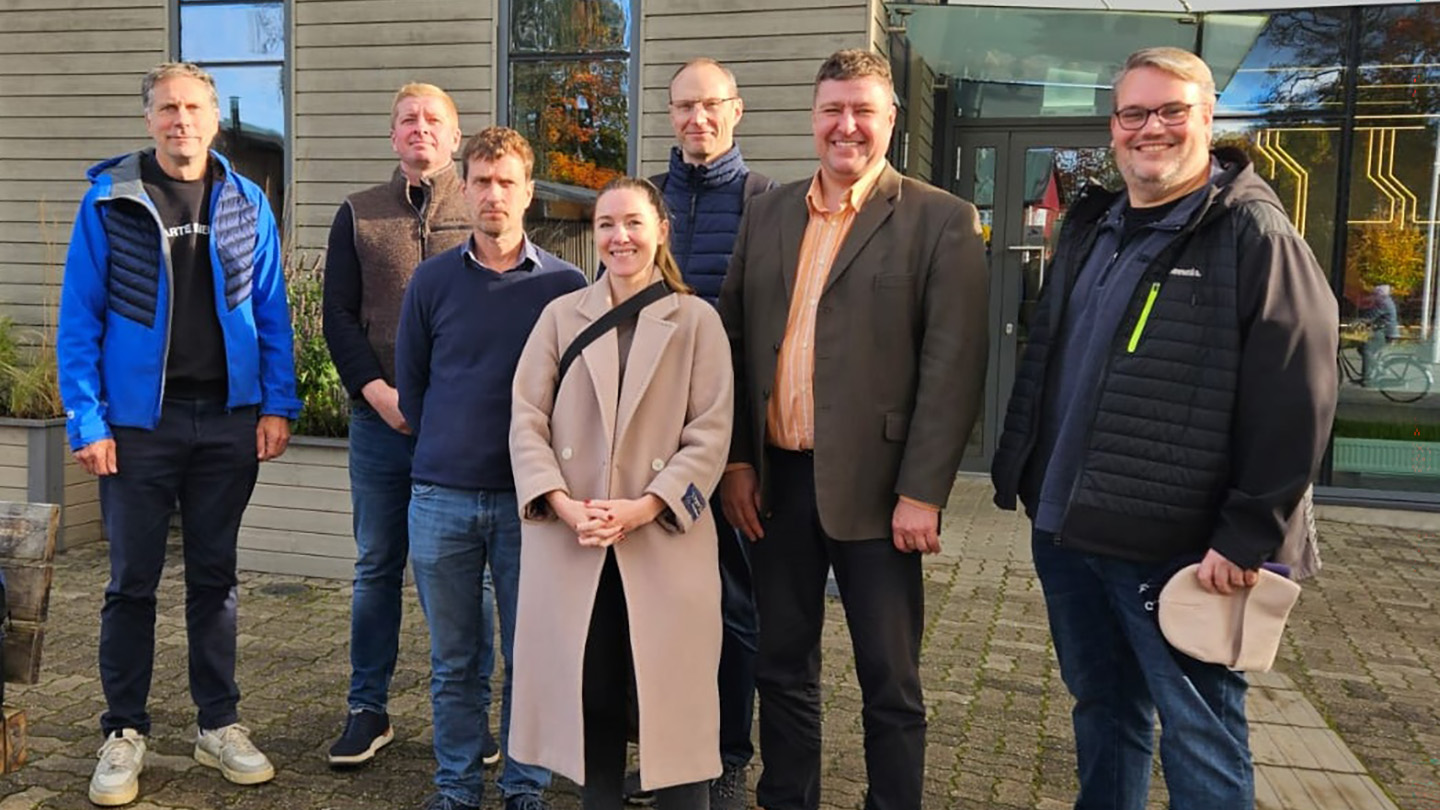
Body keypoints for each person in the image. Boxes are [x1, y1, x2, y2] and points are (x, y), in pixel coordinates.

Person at [990, 47, 1338, 810]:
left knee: (1200, 735)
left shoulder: (1253, 235)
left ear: (1208, 120)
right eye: (1133, 113)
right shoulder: (1093, 224)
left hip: (1180, 547)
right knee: (1104, 711)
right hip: (1069, 531)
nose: (1151, 128)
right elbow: (1054, 360)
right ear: (1114, 128)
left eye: (1171, 111)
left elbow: (1299, 397)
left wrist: (1247, 534)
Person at [717, 49, 989, 810]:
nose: (847, 126)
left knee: (891, 679)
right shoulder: (766, 212)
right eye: (833, 109)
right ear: (813, 117)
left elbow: (954, 367)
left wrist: (922, 493)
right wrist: (737, 462)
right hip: (776, 482)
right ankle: (787, 799)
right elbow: (734, 344)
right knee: (781, 664)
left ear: (891, 120)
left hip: (880, 490)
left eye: (863, 110)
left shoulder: (942, 220)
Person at [57, 61, 301, 807]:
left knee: (215, 580)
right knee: (131, 582)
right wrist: (87, 419)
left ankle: (216, 724)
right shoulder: (108, 200)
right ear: (148, 119)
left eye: (194, 107)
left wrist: (276, 405)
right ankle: (124, 730)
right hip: (138, 429)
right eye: (167, 108)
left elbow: (270, 310)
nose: (181, 120)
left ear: (215, 118)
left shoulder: (247, 199)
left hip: (227, 421)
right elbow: (79, 320)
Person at [508, 176, 733, 810]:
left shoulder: (697, 321)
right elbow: (527, 416)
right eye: (607, 224)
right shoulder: (560, 316)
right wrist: (559, 501)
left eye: (633, 222)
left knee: (677, 703)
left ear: (661, 230)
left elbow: (710, 434)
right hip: (576, 540)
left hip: (662, 542)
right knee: (592, 699)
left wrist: (647, 506)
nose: (619, 236)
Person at [395, 126, 585, 810]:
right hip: (441, 497)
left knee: (531, 659)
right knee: (454, 664)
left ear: (528, 192)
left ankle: (524, 789)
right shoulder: (432, 280)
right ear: (463, 188)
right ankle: (455, 789)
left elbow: (578, 396)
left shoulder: (566, 286)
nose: (493, 194)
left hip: (530, 505)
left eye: (507, 181)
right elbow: (411, 385)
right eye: (481, 180)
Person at [321, 83, 501, 769]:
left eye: (434, 120)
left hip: (462, 434)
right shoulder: (358, 215)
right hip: (381, 427)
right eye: (407, 120)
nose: (420, 129)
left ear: (456, 139)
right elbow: (338, 315)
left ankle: (469, 715)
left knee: (466, 578)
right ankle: (368, 708)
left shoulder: (481, 204)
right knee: (376, 567)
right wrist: (377, 391)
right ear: (392, 137)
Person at [619, 57, 773, 810]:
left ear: (736, 111)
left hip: (733, 447)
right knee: (654, 610)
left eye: (711, 105)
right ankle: (664, 751)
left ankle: (727, 753)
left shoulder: (767, 201)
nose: (697, 119)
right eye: (684, 106)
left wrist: (741, 455)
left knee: (734, 610)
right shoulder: (646, 199)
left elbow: (765, 338)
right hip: (649, 443)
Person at [1361, 283, 1400, 385]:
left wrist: (1358, 321)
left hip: (1385, 333)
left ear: (1380, 295)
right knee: (1362, 349)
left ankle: (1368, 378)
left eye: (1375, 294)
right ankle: (1377, 369)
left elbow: (1372, 316)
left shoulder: (1383, 303)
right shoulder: (1385, 301)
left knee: (1367, 351)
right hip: (1385, 331)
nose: (1374, 296)